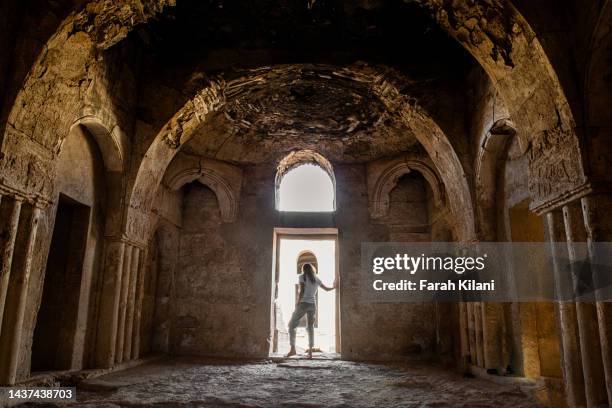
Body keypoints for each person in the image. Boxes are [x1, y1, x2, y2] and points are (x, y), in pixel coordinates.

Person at [285, 263, 337, 359]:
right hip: (312, 305)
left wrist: (297, 303)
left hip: (303, 304)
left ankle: (293, 349)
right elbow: (326, 289)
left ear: (303, 269)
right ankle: (310, 353)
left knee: (292, 325)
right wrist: (334, 287)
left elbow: (302, 290)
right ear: (312, 269)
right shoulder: (316, 279)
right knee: (310, 327)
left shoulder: (302, 277)